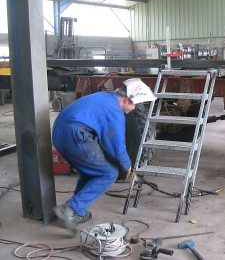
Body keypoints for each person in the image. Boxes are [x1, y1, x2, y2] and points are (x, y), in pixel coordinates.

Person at [52, 78, 157, 233]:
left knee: (91, 171)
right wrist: (126, 167)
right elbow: (116, 146)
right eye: (134, 104)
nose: (134, 108)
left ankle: (78, 211)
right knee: (108, 173)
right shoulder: (114, 112)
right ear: (127, 99)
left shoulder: (104, 98)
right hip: (74, 134)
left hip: (60, 132)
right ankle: (69, 210)